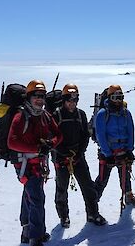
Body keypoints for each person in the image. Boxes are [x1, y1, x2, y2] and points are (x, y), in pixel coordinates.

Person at [8, 80, 63, 246]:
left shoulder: (44, 115)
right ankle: (36, 237)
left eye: (42, 96)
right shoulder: (21, 116)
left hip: (37, 163)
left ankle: (27, 232)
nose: (40, 99)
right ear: (29, 97)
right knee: (37, 198)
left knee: (30, 195)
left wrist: (50, 144)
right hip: (25, 165)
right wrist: (38, 147)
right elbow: (12, 142)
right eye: (36, 96)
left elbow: (58, 134)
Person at [52, 83, 106, 228]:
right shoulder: (56, 115)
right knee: (61, 189)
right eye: (69, 100)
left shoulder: (80, 114)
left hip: (77, 157)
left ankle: (92, 214)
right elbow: (54, 138)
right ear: (64, 100)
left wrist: (79, 152)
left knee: (88, 186)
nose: (72, 103)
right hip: (61, 157)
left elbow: (85, 135)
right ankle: (64, 216)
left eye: (74, 100)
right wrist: (65, 153)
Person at [94, 85, 135, 208]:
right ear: (110, 97)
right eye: (115, 97)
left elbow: (130, 132)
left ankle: (128, 195)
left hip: (122, 150)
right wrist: (107, 154)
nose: (118, 100)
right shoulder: (102, 114)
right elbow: (101, 136)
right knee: (102, 179)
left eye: (120, 97)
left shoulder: (126, 113)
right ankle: (93, 202)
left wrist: (129, 150)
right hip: (108, 152)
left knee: (125, 176)